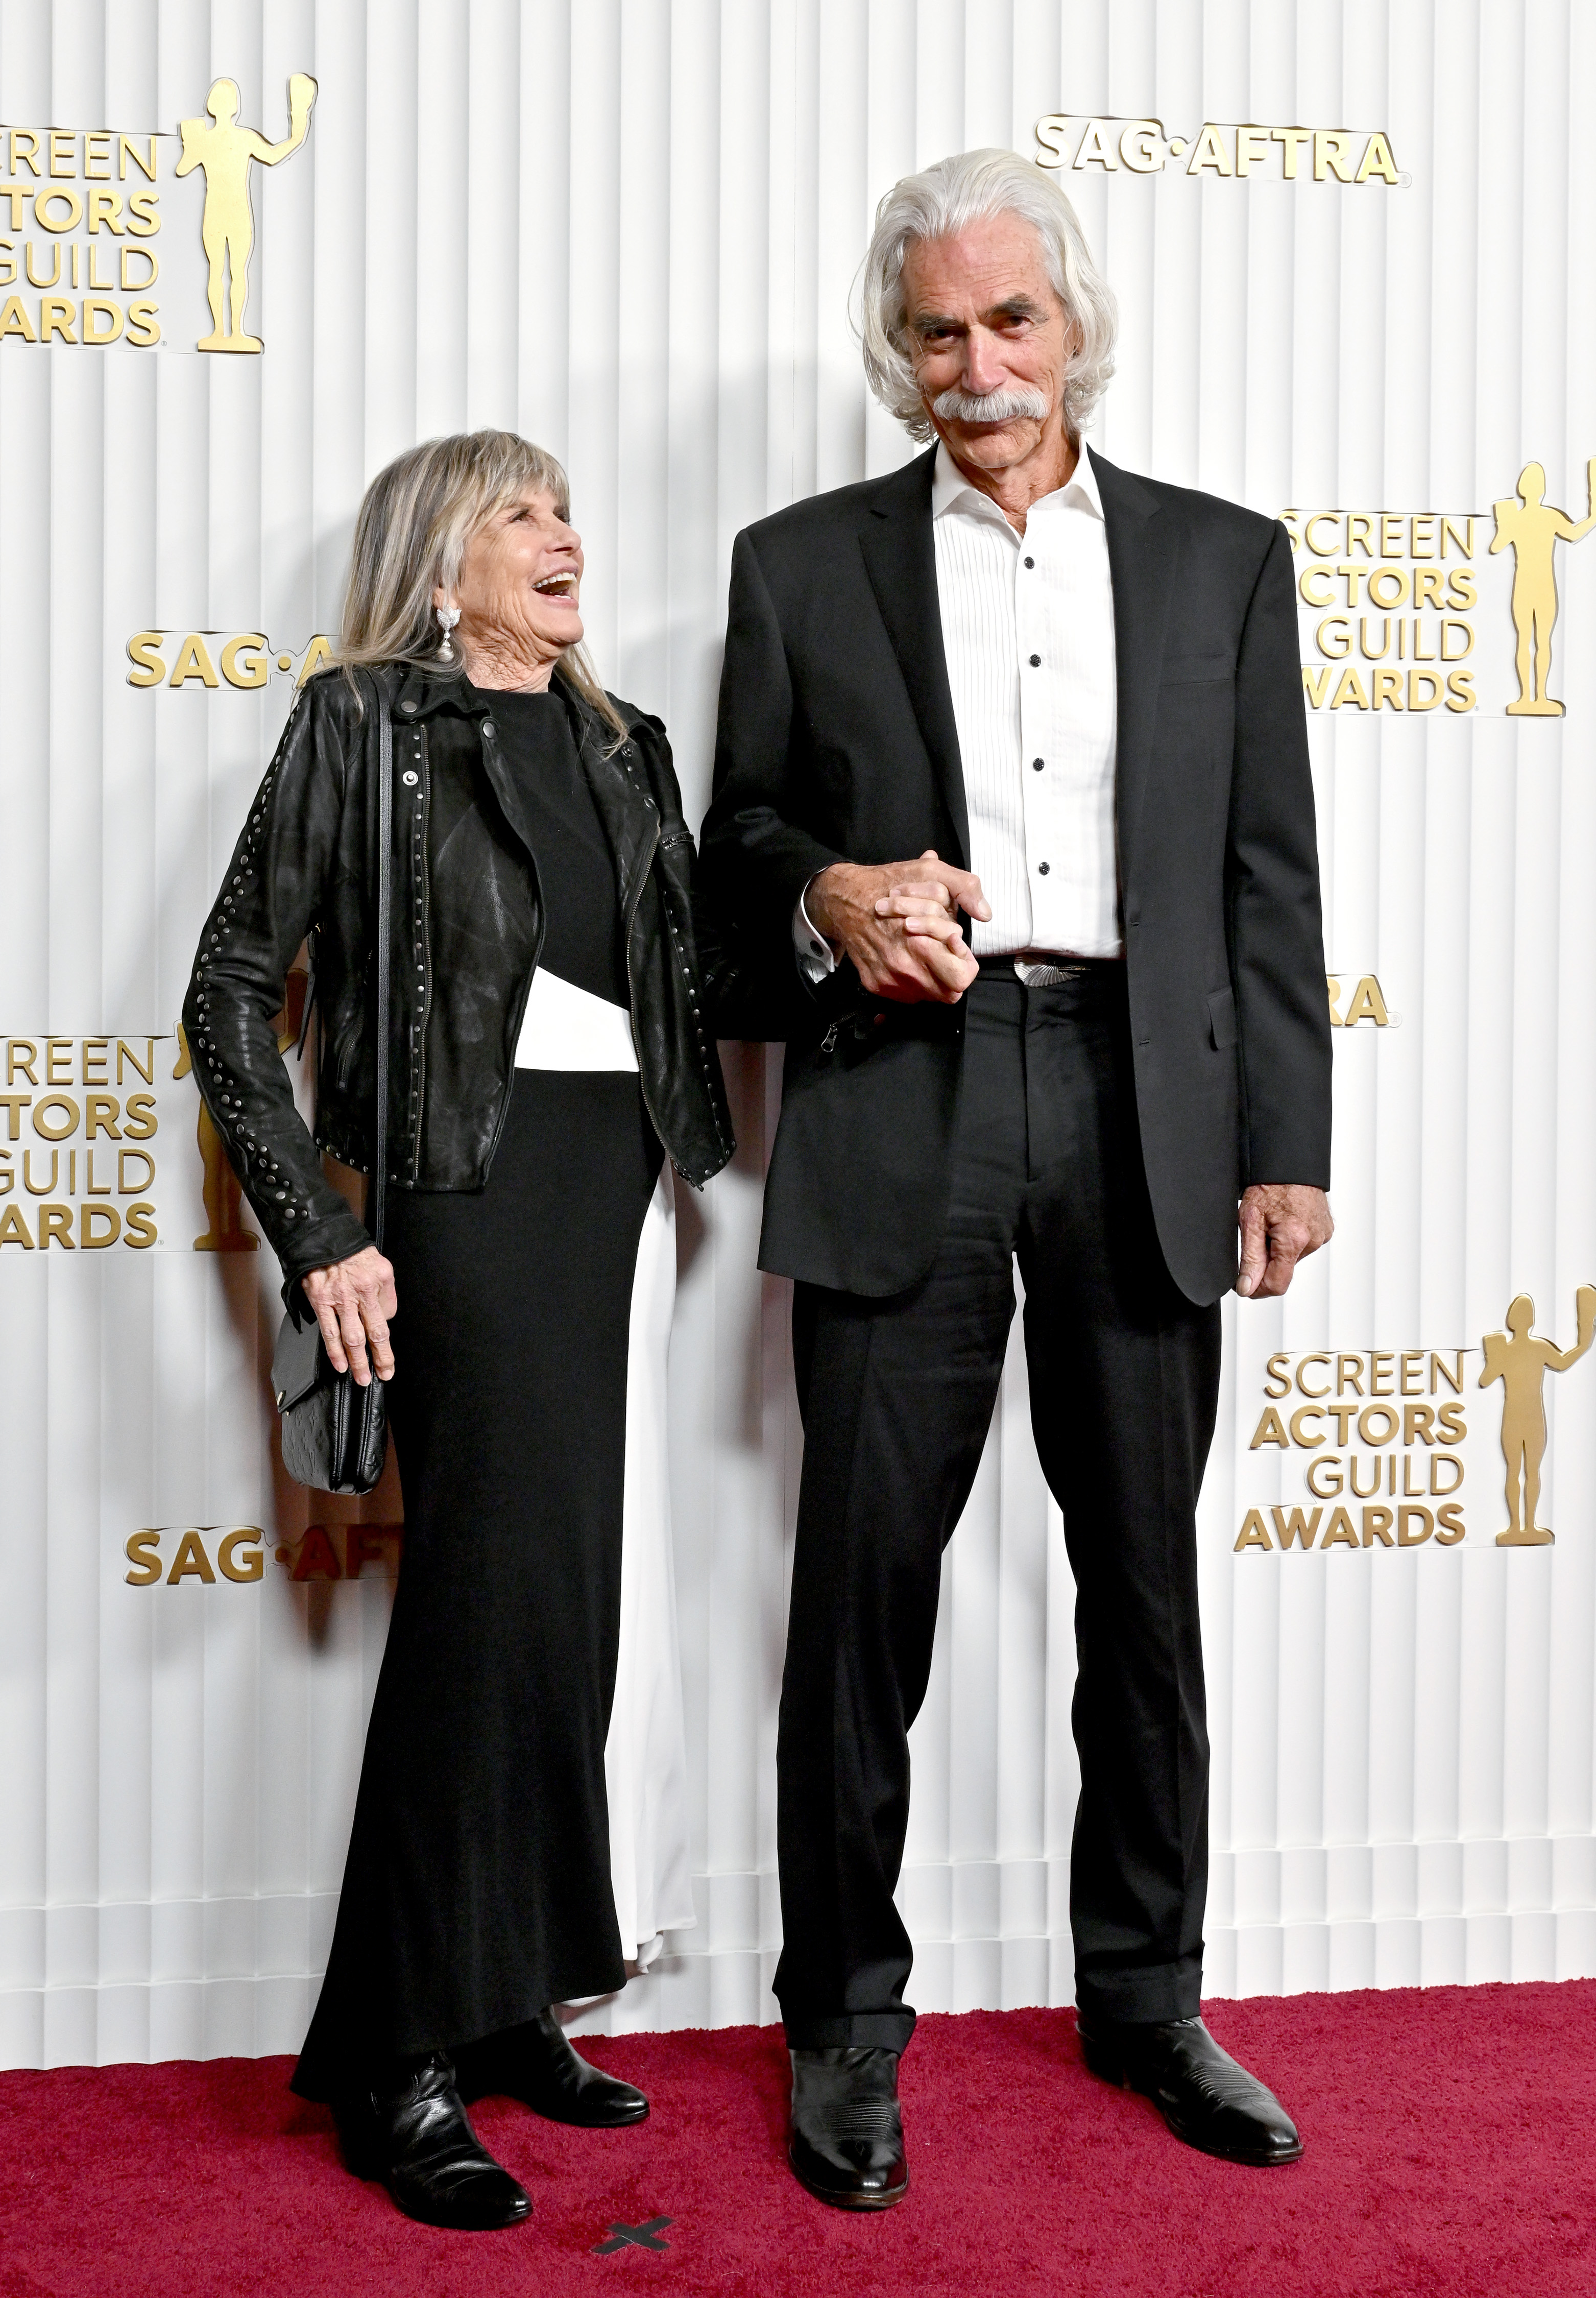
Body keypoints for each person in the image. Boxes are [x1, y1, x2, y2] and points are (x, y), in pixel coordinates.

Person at [701, 148, 1334, 2209]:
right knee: (859, 1599)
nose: (973, 363)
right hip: (905, 1097)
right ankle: (843, 2023)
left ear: (1074, 324)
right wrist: (829, 894)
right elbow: (733, 866)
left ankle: (1148, 1998)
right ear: (895, 352)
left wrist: (1285, 1148)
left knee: (1144, 1600)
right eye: (934, 330)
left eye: (1008, 320)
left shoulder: (1225, 559)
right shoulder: (798, 565)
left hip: (1148, 1108)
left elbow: (1263, 876)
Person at [186, 429, 735, 2230]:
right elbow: (229, 991)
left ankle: (511, 1995)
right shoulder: (366, 725)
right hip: (464, 1193)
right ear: (440, 558)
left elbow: (691, 976)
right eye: (518, 509)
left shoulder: (624, 742)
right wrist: (323, 1228)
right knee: (485, 1604)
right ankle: (392, 2045)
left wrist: (837, 915)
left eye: (567, 504)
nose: (564, 531)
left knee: (569, 1604)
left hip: (617, 1192)